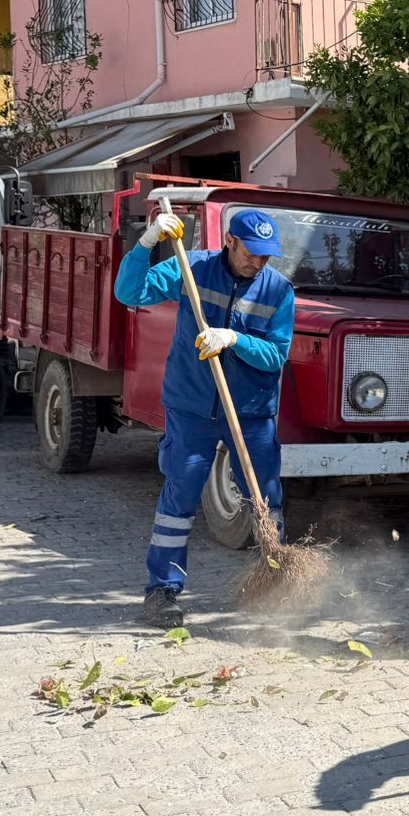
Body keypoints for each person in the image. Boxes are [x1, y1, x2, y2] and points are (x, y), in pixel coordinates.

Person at [114, 204, 296, 628]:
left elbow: (276, 356)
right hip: (192, 407)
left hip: (251, 412)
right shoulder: (191, 267)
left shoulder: (277, 290)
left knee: (266, 497)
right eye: (250, 251)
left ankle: (274, 582)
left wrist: (234, 339)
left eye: (266, 253)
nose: (259, 261)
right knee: (179, 497)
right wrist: (147, 242)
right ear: (228, 241)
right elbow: (131, 293)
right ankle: (162, 590)